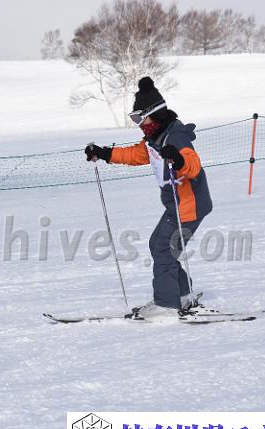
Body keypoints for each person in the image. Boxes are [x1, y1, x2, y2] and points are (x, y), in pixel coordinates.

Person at [85, 76, 212, 318]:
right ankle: (182, 295)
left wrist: (179, 158)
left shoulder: (175, 137)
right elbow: (136, 154)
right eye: (135, 119)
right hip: (177, 205)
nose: (139, 124)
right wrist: (105, 153)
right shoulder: (157, 138)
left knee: (163, 248)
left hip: (189, 205)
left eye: (140, 118)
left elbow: (193, 165)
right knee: (160, 246)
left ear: (155, 114)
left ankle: (167, 305)